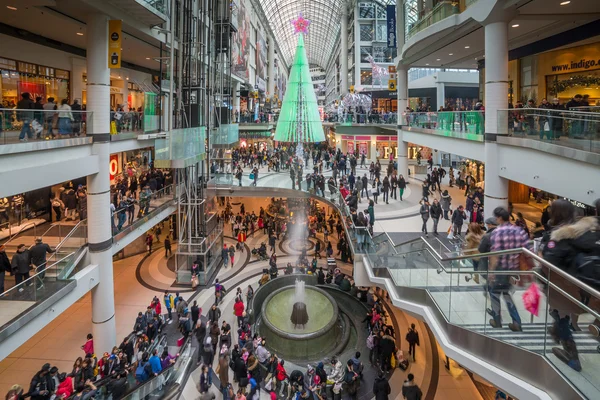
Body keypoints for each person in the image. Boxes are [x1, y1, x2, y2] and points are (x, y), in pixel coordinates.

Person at [487, 207, 530, 331]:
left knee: (494, 293)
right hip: (513, 269)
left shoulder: (497, 232)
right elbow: (528, 251)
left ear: (500, 218)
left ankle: (497, 321)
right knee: (505, 293)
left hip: (500, 268)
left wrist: (491, 271)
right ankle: (516, 322)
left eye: (496, 217)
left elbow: (495, 254)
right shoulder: (519, 231)